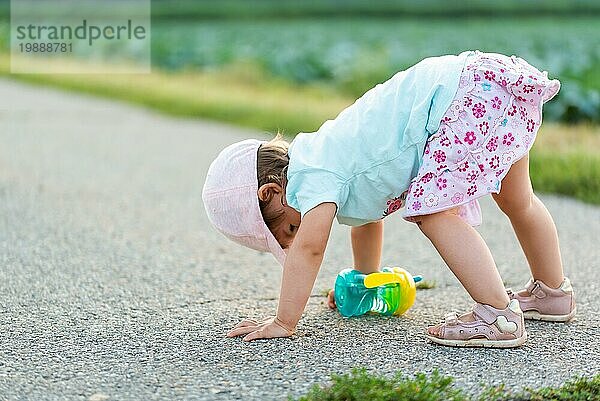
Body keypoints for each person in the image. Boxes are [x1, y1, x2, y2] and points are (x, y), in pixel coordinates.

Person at [202, 50, 576, 348]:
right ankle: (552, 292)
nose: (295, 238)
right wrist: (366, 281)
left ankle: (498, 315)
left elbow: (311, 249)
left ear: (271, 191)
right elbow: (367, 217)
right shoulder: (330, 157)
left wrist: (284, 320)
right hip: (479, 85)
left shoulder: (310, 175)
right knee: (518, 200)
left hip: (460, 101)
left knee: (434, 213)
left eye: (288, 229)